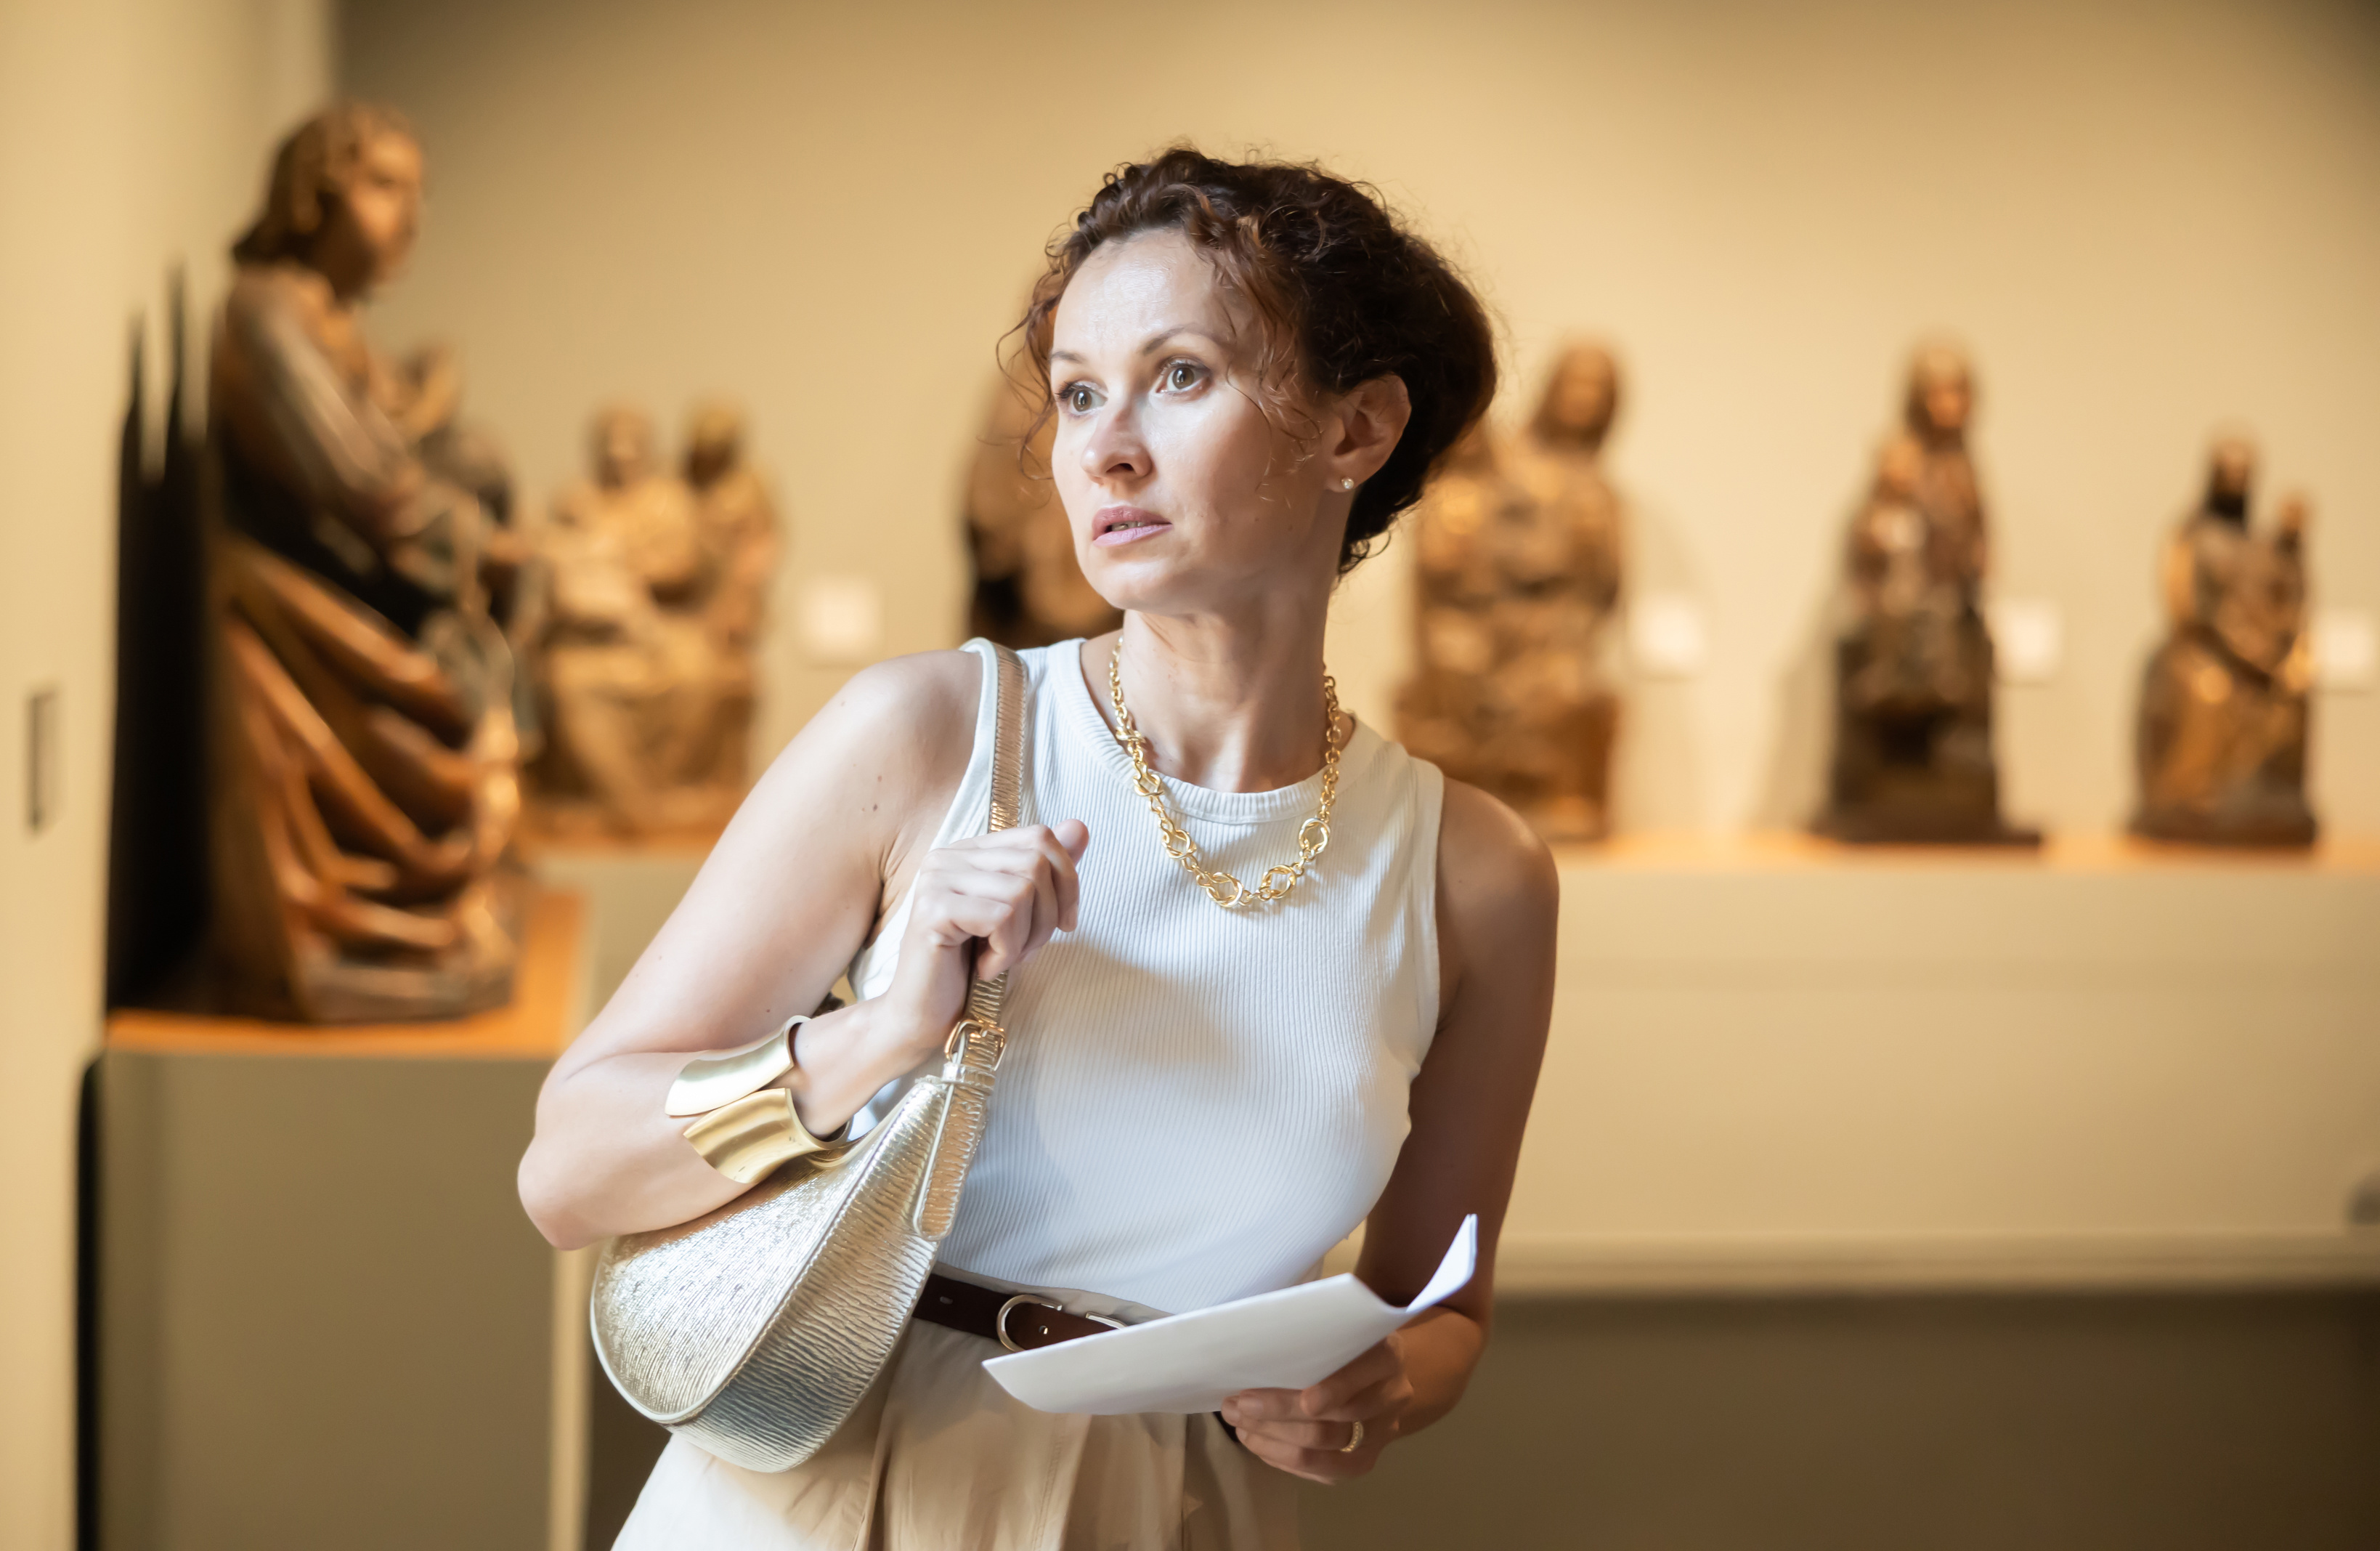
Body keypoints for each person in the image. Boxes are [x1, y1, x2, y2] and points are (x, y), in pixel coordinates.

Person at [519, 148, 1557, 1548]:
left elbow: (1443, 1310)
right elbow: (568, 1169)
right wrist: (878, 1036)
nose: (1102, 447)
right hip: (830, 1489)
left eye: (1177, 377)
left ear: (1356, 431)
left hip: (1159, 1503)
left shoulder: (1471, 877)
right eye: (1077, 393)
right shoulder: (927, 733)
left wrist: (1378, 1394)